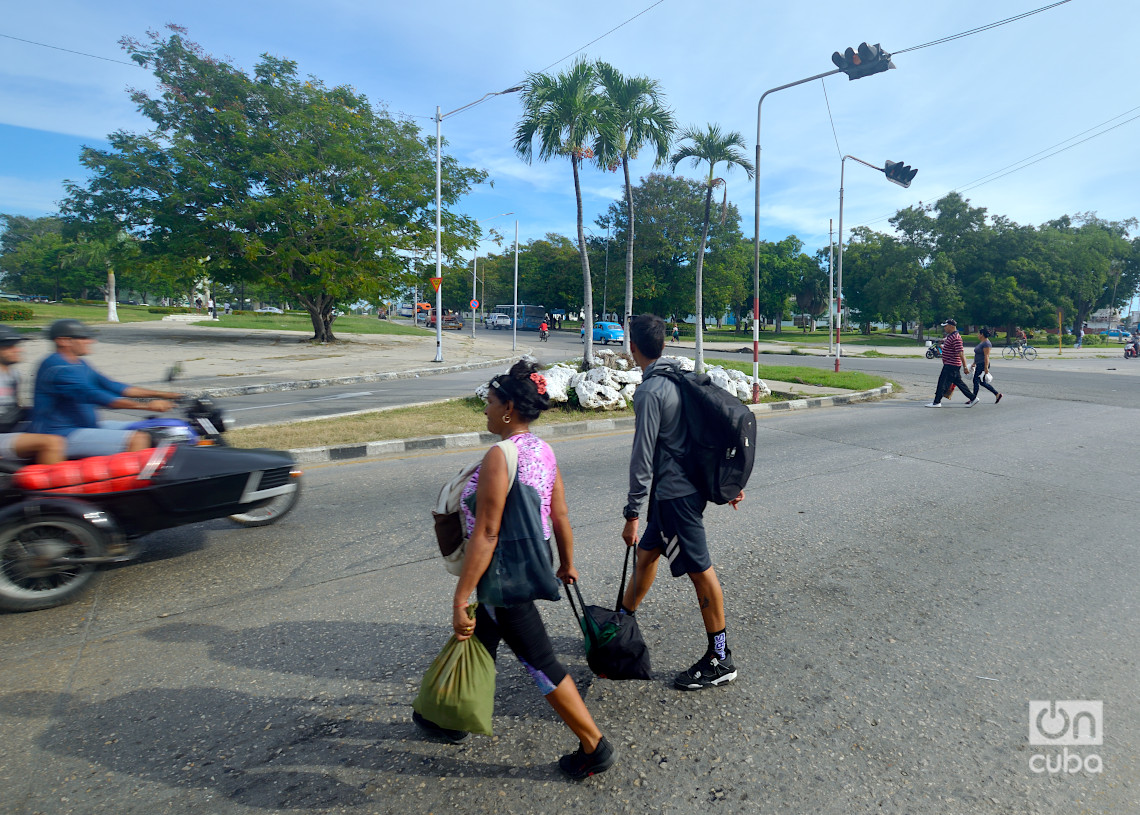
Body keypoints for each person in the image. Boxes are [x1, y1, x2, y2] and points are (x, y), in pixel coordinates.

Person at [415, 359, 614, 779]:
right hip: (528, 561)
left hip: (504, 574)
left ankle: (594, 745)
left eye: (488, 403)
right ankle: (448, 717)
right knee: (482, 639)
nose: (485, 411)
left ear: (507, 409)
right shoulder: (542, 450)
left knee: (540, 662)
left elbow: (487, 533)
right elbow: (559, 514)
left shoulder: (499, 456)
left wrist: (461, 595)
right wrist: (567, 563)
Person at [619, 314, 745, 691]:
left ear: (633, 348)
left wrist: (631, 512)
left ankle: (720, 657)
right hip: (677, 491)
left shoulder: (650, 392)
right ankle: (622, 623)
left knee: (699, 570)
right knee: (647, 553)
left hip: (676, 496)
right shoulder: (680, 377)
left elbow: (642, 458)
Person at [30, 319, 183, 459]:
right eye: (83, 337)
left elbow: (114, 386)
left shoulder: (79, 363)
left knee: (158, 428)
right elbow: (95, 396)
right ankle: (133, 486)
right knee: (139, 438)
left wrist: (168, 395)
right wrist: (147, 406)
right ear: (63, 341)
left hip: (85, 426)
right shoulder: (57, 368)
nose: (91, 341)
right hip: (61, 434)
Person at [0, 326, 65, 465]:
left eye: (17, 345)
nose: (18, 349)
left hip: (11, 427)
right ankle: (49, 485)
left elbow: (13, 409)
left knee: (62, 427)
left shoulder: (13, 374)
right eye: (10, 346)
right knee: (51, 442)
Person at [926, 319, 978, 408]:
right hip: (951, 364)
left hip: (951, 364)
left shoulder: (956, 338)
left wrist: (965, 367)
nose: (945, 328)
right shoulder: (951, 336)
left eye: (946, 326)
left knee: (942, 382)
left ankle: (937, 402)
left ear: (951, 326)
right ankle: (973, 398)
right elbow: (947, 344)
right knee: (959, 382)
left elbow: (961, 353)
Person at [971, 328, 1003, 404]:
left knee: (976, 380)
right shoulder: (982, 342)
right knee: (982, 382)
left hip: (983, 364)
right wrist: (974, 363)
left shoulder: (987, 344)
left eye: (979, 333)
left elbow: (986, 356)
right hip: (979, 363)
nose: (978, 335)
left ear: (982, 334)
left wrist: (985, 367)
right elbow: (978, 354)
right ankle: (997, 394)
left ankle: (973, 398)